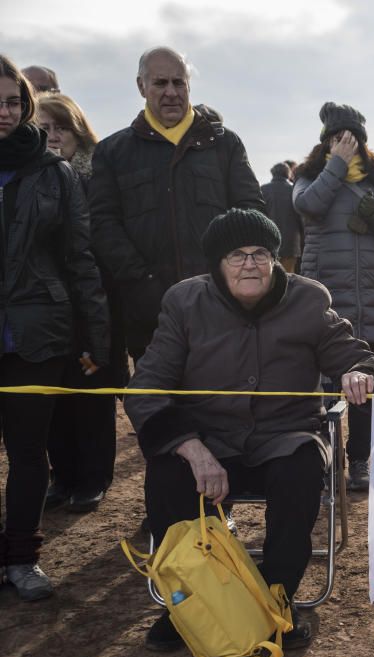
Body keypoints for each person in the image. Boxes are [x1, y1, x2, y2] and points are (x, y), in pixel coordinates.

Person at [124, 208, 374, 652]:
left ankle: (276, 601)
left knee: (301, 473)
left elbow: (358, 355)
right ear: (216, 263)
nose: (250, 263)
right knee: (169, 474)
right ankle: (195, 601)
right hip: (208, 438)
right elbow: (145, 388)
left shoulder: (309, 299)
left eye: (261, 253)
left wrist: (359, 373)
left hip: (285, 436)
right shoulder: (184, 302)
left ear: (275, 258)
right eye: (237, 255)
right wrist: (191, 447)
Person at [0, 55, 109, 600]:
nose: (5, 112)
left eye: (13, 102)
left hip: (36, 334)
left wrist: (94, 335)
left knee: (26, 452)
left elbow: (79, 257)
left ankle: (20, 558)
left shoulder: (53, 172)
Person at [88, 46, 264, 362]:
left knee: (223, 407)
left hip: (222, 309)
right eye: (160, 83)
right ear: (141, 86)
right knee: (162, 409)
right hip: (150, 318)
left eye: (178, 83)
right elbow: (103, 226)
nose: (171, 92)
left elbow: (252, 212)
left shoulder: (225, 145)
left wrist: (226, 274)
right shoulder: (113, 152)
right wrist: (144, 283)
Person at [292, 102, 374, 491]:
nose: (346, 142)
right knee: (326, 388)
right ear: (326, 140)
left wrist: (372, 210)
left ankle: (360, 460)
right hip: (325, 299)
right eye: (337, 136)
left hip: (372, 298)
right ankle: (328, 463)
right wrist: (335, 167)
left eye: (352, 136)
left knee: (368, 385)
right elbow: (307, 206)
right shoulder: (310, 175)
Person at [37, 93, 128, 513]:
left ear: (78, 131)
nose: (54, 136)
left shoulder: (97, 175)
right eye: (45, 128)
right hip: (44, 302)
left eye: (61, 128)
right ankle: (64, 475)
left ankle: (93, 477)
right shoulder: (30, 176)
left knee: (92, 388)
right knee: (53, 396)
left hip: (95, 299)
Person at [262, 162, 302, 273]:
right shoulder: (294, 190)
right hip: (291, 244)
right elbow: (301, 219)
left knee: (269, 276)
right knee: (289, 278)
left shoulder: (262, 190)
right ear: (288, 174)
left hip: (268, 242)